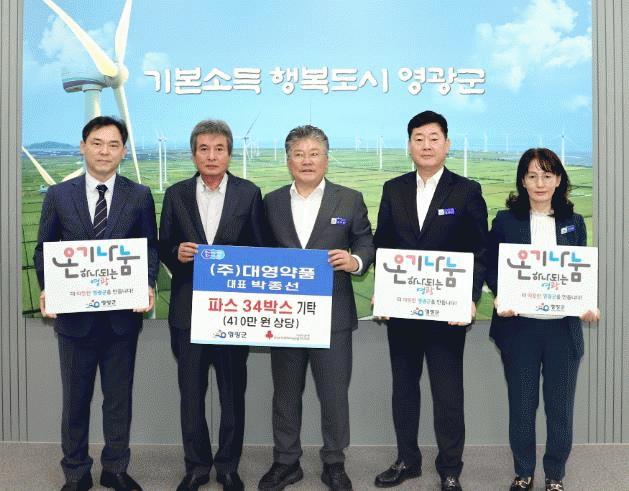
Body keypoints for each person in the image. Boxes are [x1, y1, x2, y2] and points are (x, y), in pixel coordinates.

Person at [33, 116, 159, 491]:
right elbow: (44, 250)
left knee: (118, 401)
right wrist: (48, 287)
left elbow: (149, 248)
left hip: (121, 319)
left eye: (113, 144)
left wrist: (147, 282)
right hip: (75, 319)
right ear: (83, 147)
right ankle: (75, 472)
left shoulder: (139, 195)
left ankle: (115, 469)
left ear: (123, 151)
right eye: (97, 143)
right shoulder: (58, 195)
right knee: (75, 401)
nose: (105, 151)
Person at [372, 111, 488, 491]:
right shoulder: (393, 189)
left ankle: (450, 468)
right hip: (402, 310)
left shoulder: (466, 191)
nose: (426, 145)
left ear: (447, 144)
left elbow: (479, 250)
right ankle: (407, 460)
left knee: (447, 394)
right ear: (409, 145)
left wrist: (470, 297)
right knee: (404, 390)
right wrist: (382, 292)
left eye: (434, 138)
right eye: (418, 138)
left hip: (447, 313)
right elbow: (383, 245)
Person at [258, 125, 375, 491]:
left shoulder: (349, 199)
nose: (306, 161)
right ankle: (285, 461)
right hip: (285, 315)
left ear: (326, 158)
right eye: (299, 154)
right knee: (285, 394)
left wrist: (355, 261)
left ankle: (334, 462)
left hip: (333, 316)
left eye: (314, 154)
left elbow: (366, 242)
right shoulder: (271, 201)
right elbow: (257, 250)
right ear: (288, 160)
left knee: (334, 395)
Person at [158, 119, 265, 491]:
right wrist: (176, 252)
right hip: (188, 311)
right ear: (193, 155)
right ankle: (196, 466)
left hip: (233, 313)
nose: (211, 156)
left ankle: (228, 467)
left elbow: (260, 249)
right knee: (191, 395)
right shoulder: (175, 194)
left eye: (219, 149)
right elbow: (164, 245)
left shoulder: (249, 193)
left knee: (233, 395)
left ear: (230, 154)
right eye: (203, 149)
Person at [485, 148, 599, 491]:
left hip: (561, 330)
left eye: (547, 176)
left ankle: (555, 475)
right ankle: (523, 472)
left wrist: (587, 304)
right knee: (522, 406)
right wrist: (502, 297)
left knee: (559, 408)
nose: (540, 183)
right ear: (522, 180)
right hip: (520, 327)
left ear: (558, 180)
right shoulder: (506, 221)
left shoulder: (573, 221)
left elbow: (579, 273)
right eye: (532, 176)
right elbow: (493, 267)